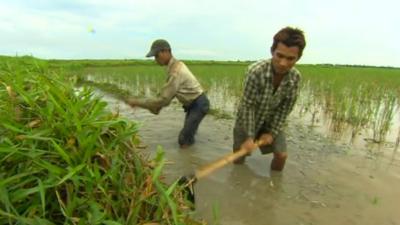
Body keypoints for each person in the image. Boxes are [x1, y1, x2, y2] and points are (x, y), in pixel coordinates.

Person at [233, 27, 306, 171]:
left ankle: (274, 186)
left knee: (282, 155)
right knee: (239, 156)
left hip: (271, 120)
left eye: (290, 58)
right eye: (279, 56)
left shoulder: (295, 78)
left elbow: (285, 109)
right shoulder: (256, 71)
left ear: (298, 58)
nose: (283, 63)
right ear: (272, 51)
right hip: (249, 119)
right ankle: (237, 181)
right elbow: (248, 106)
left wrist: (271, 132)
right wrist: (249, 137)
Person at [125, 39, 210, 149]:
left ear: (166, 51)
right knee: (189, 134)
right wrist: (154, 106)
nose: (155, 60)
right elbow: (168, 93)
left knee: (183, 140)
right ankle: (190, 144)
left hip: (198, 105)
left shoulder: (176, 71)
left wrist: (138, 102)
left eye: (156, 55)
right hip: (193, 105)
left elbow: (164, 100)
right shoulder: (175, 65)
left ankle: (189, 161)